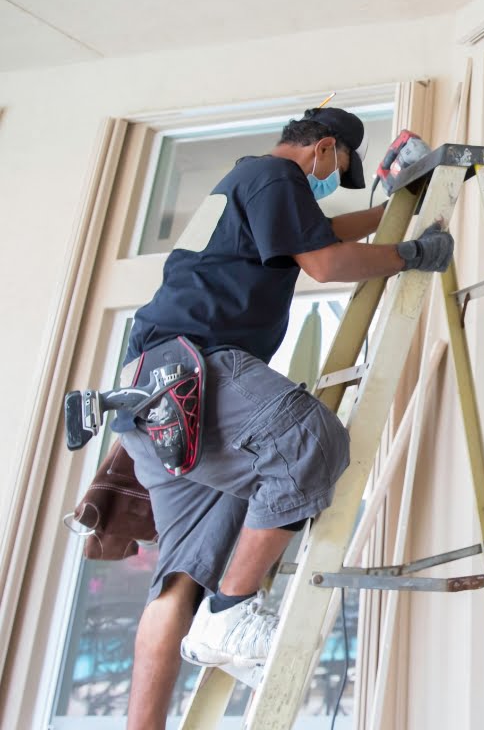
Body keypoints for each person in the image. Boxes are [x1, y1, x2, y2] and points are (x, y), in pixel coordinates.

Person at [116, 107, 452, 730]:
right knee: (310, 445)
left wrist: (395, 209)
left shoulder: (249, 186)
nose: (331, 179)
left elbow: (325, 231)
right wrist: (409, 255)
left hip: (153, 394)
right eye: (338, 167)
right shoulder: (275, 176)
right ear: (324, 148)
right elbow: (324, 261)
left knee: (180, 582)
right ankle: (232, 613)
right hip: (195, 372)